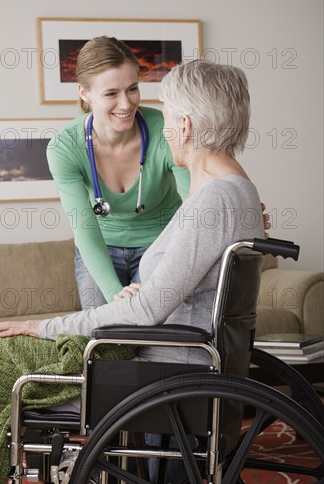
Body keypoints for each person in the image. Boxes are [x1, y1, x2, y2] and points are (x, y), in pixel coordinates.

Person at [0, 59, 265, 484]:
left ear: (185, 123)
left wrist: (45, 326)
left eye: (169, 115)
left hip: (159, 362)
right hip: (170, 355)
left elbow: (146, 312)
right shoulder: (233, 190)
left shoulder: (217, 198)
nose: (162, 129)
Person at [46, 36, 270, 309]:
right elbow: (85, 229)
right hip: (101, 247)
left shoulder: (166, 130)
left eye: (132, 89)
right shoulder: (65, 148)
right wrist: (115, 294)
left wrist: (236, 216)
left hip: (158, 246)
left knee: (154, 328)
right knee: (102, 335)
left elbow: (196, 196)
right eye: (110, 94)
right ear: (84, 93)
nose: (126, 104)